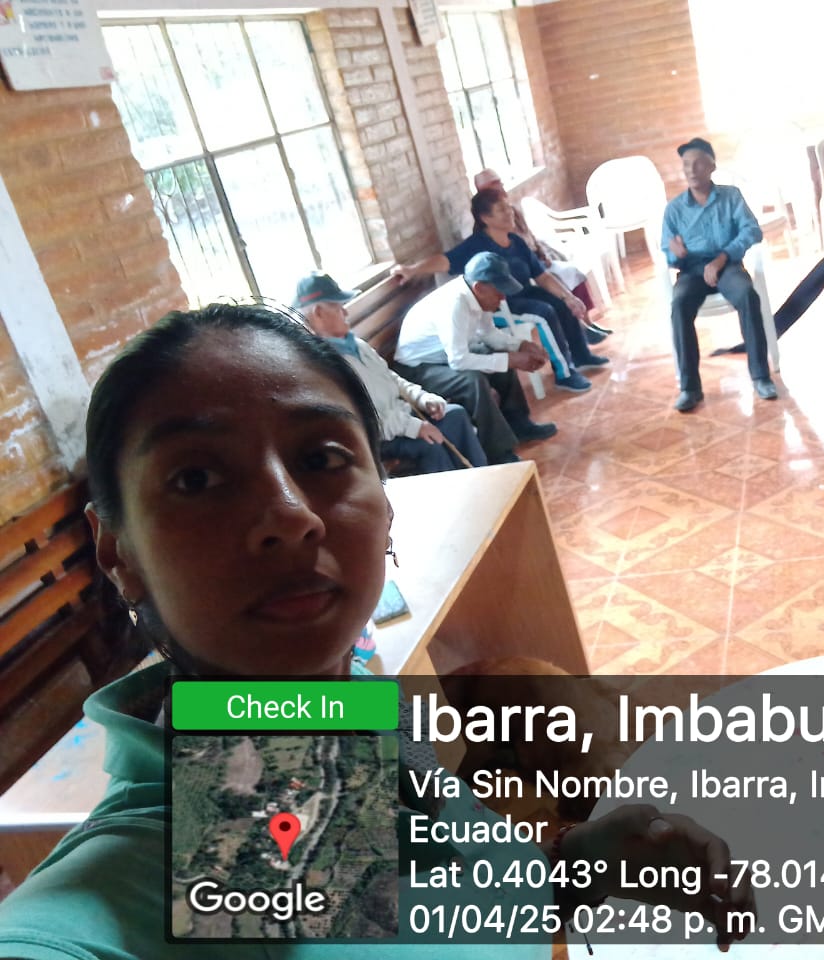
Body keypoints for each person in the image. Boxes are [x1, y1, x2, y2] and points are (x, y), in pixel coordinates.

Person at [0, 301, 755, 957]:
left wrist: (571, 870)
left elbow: (430, 915)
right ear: (117, 552)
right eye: (197, 478)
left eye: (321, 456)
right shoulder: (132, 886)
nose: (289, 513)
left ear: (385, 500)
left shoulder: (356, 711)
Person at [394, 189, 608, 394]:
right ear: (485, 218)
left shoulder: (516, 242)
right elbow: (444, 261)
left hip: (523, 294)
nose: (510, 212)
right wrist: (412, 270)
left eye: (508, 207)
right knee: (544, 313)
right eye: (501, 209)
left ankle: (581, 355)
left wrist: (568, 297)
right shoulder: (476, 245)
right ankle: (565, 373)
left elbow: (542, 276)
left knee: (559, 303)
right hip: (499, 304)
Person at [293, 271, 488, 472]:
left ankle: (483, 475)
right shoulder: (323, 365)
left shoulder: (357, 345)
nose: (345, 313)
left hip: (399, 419)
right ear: (318, 313)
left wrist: (422, 398)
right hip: (377, 438)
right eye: (337, 307)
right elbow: (363, 421)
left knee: (454, 415)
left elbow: (391, 378)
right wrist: (414, 427)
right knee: (429, 445)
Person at [393, 252, 557, 465]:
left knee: (500, 360)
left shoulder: (478, 296)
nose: (503, 298)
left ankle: (520, 425)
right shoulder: (455, 304)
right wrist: (510, 359)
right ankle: (498, 452)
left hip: (443, 357)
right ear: (480, 287)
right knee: (472, 381)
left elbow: (488, 334)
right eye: (499, 291)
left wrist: (519, 345)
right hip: (417, 369)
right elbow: (459, 361)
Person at [661, 136, 777, 413]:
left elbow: (752, 230)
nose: (691, 170)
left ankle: (761, 376)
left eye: (698, 164)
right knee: (679, 304)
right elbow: (669, 253)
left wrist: (722, 258)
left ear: (712, 166)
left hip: (727, 265)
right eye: (686, 165)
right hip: (691, 270)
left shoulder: (731, 196)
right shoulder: (674, 209)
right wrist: (676, 254)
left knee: (747, 296)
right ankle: (690, 388)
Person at [472, 168, 612, 343]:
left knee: (572, 271)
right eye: (494, 184)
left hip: (537, 260)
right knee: (555, 282)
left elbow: (528, 235)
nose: (500, 186)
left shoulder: (512, 210)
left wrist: (540, 253)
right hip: (524, 276)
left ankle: (587, 322)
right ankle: (579, 329)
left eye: (499, 182)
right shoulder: (485, 228)